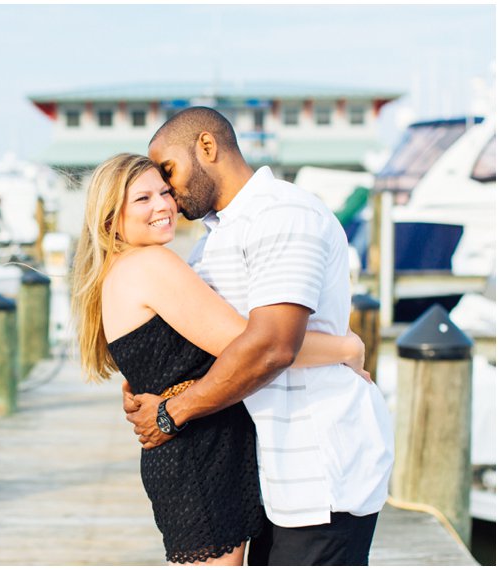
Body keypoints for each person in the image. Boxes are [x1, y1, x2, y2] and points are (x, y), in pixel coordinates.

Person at [122, 107, 394, 565]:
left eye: (168, 170)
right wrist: (147, 380)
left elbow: (272, 346)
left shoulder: (283, 213)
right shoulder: (212, 241)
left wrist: (171, 413)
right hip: (265, 471)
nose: (167, 190)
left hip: (319, 465)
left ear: (207, 147)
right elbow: (205, 341)